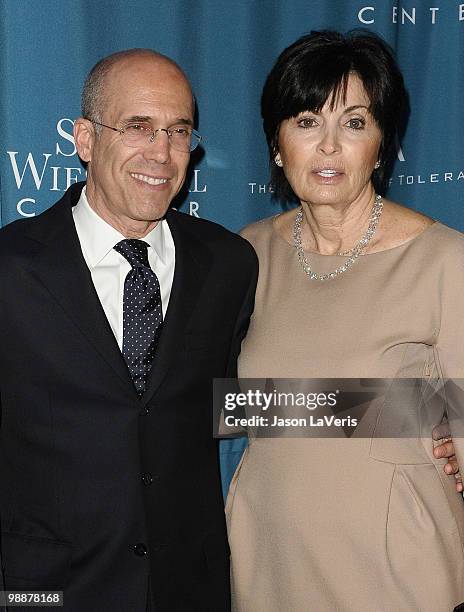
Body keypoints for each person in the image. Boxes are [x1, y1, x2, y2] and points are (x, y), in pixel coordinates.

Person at [0, 49, 257, 612]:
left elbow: (231, 403)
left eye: (178, 131)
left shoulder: (229, 263)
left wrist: (415, 416)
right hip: (45, 589)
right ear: (85, 140)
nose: (162, 155)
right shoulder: (11, 267)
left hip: (190, 589)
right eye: (138, 128)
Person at [225, 31, 464, 611]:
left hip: (396, 556)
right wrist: (396, 406)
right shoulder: (243, 254)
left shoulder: (444, 259)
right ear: (277, 144)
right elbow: (221, 407)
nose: (329, 146)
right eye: (307, 121)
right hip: (270, 547)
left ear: (381, 146)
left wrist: (438, 414)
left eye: (355, 123)